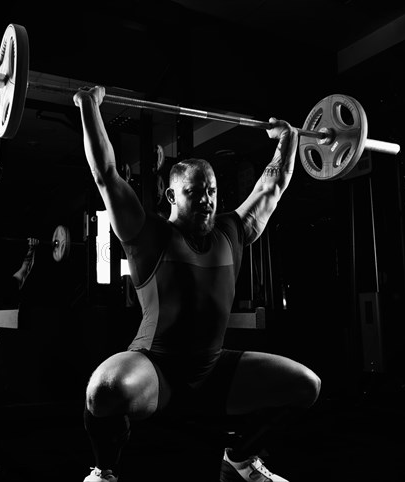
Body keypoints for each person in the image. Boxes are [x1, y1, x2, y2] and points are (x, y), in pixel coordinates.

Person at [73, 86, 321, 482]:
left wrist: (288, 141)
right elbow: (106, 175)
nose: (206, 199)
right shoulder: (147, 235)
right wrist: (89, 107)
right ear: (172, 195)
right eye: (195, 192)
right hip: (156, 367)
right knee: (102, 391)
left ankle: (240, 458)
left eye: (211, 191)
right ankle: (104, 470)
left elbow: (272, 187)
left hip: (213, 369)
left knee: (306, 386)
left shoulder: (231, 231)